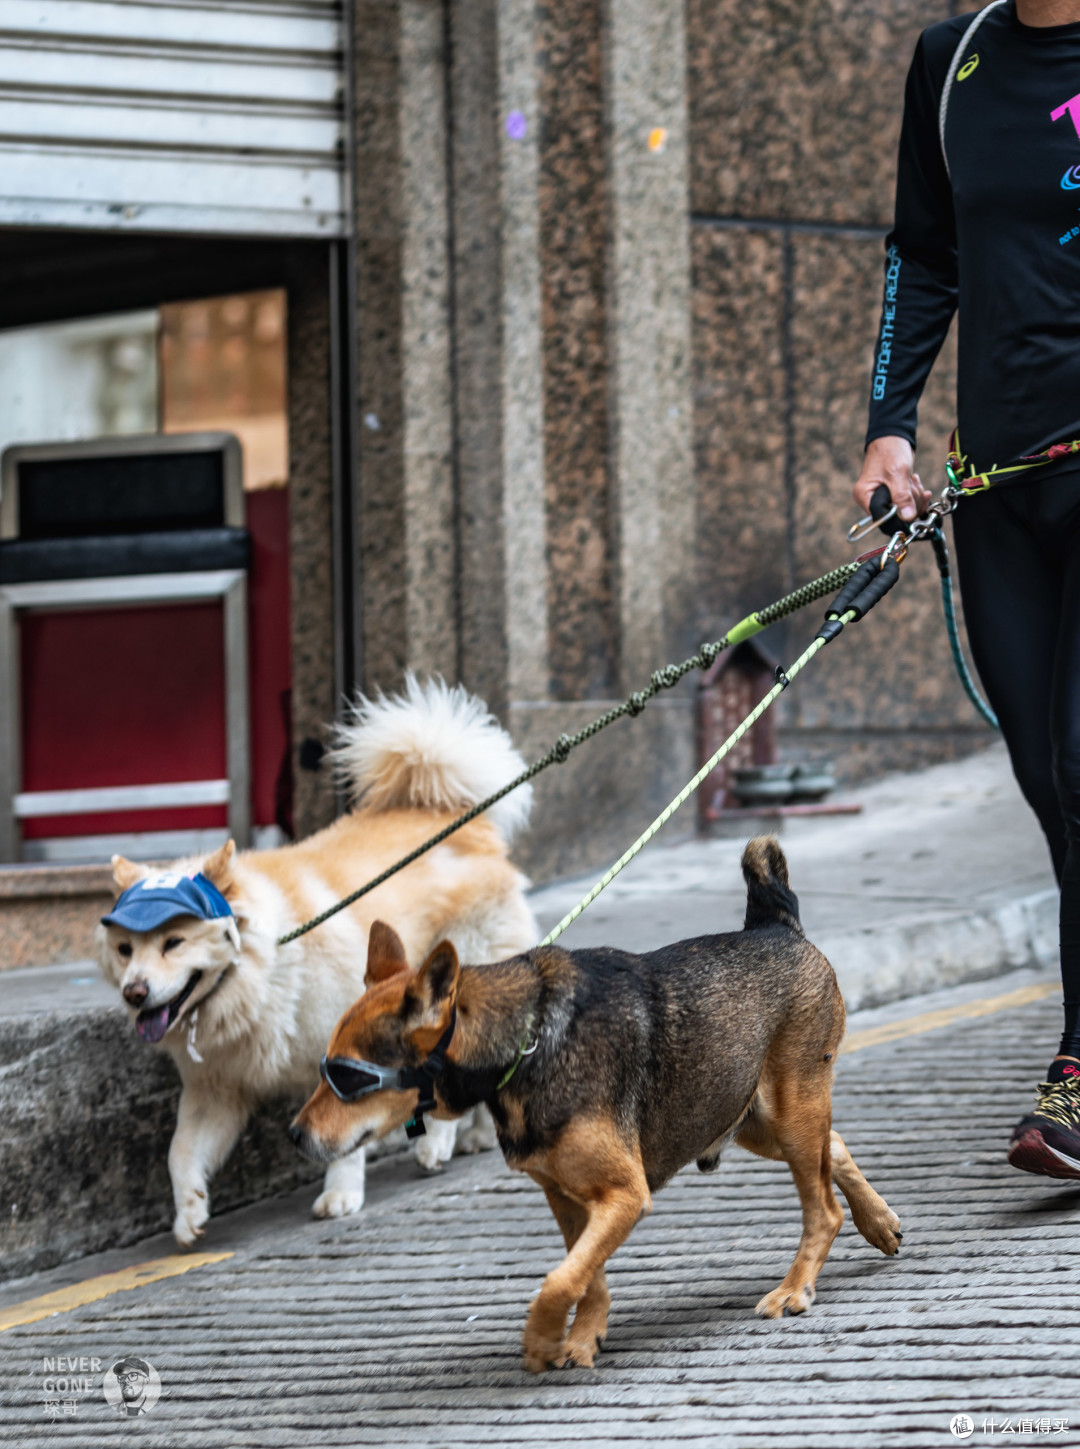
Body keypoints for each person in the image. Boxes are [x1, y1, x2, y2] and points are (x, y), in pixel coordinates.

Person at [855, 0, 1080, 1179]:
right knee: (1048, 774)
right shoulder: (953, 62)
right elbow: (924, 251)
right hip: (998, 480)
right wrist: (892, 426)